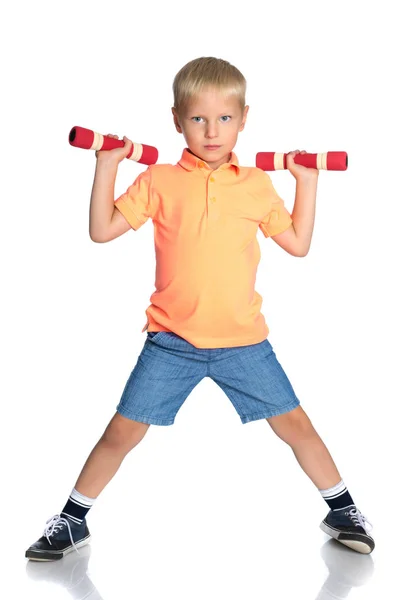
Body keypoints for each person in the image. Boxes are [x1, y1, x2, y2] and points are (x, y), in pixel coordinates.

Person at [25, 56, 374, 561]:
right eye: (198, 119)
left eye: (225, 119)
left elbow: (297, 244)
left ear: (244, 118)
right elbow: (102, 231)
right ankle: (72, 521)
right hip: (171, 343)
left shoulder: (255, 183)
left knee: (296, 426)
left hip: (244, 342)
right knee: (122, 431)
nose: (212, 131)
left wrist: (307, 181)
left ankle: (343, 510)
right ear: (176, 120)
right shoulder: (160, 181)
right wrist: (107, 165)